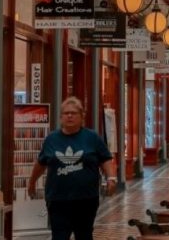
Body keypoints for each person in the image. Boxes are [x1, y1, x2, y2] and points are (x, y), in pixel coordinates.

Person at [27, 97, 115, 240]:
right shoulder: (52, 139)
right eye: (66, 113)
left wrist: (111, 178)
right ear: (61, 117)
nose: (69, 116)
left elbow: (105, 160)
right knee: (60, 236)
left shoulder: (92, 137)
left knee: (84, 235)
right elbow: (41, 163)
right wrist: (31, 183)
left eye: (73, 113)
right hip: (58, 199)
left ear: (82, 116)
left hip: (86, 199)